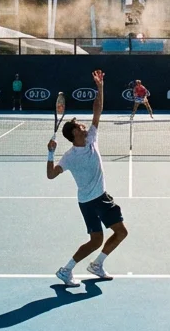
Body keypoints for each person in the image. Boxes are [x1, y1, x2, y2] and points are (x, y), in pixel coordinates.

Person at [46, 70, 128, 285]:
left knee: (97, 240)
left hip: (91, 200)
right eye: (79, 127)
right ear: (73, 134)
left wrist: (100, 86)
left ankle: (70, 269)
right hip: (95, 201)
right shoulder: (69, 157)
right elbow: (51, 175)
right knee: (119, 232)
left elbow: (97, 110)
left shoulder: (92, 138)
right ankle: (94, 264)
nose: (84, 127)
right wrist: (50, 154)